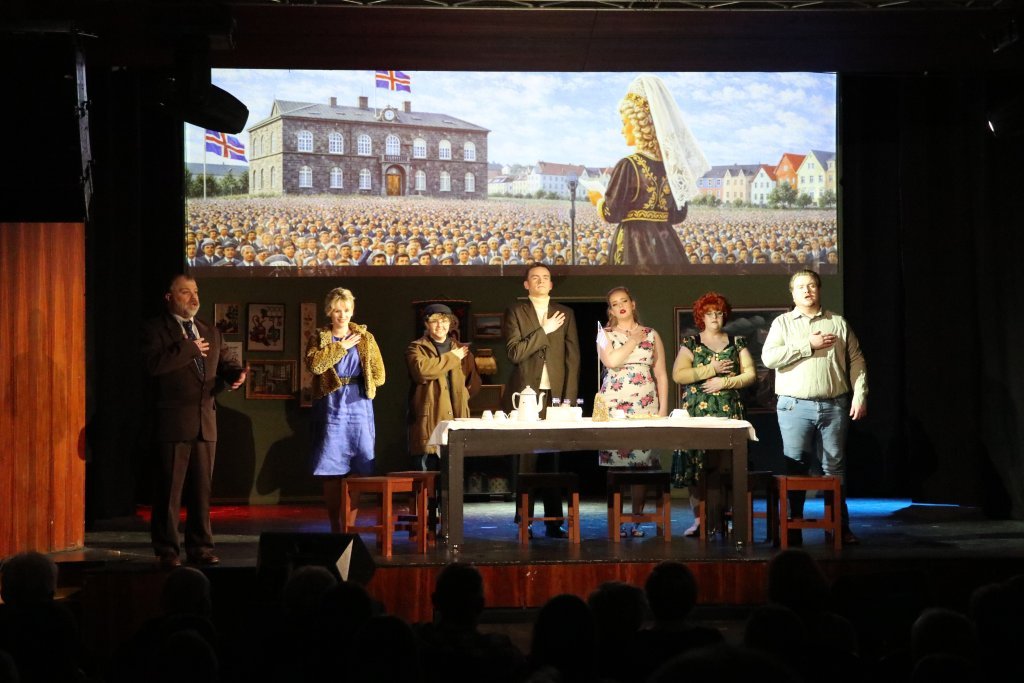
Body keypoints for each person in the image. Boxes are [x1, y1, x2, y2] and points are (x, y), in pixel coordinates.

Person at [142, 275, 246, 568]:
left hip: (205, 422)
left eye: (195, 292)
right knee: (169, 492)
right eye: (185, 292)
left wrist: (235, 375)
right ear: (169, 297)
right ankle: (167, 550)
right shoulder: (154, 329)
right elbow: (152, 366)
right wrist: (188, 348)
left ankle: (200, 547)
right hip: (173, 422)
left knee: (202, 492)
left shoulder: (210, 331)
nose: (193, 298)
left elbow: (226, 363)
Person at [761, 269, 867, 545]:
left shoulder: (837, 322)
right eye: (801, 287)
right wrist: (807, 344)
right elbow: (770, 358)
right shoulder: (783, 323)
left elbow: (856, 359)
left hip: (834, 405)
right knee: (796, 467)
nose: (807, 291)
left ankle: (839, 527)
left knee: (835, 467)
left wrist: (860, 394)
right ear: (792, 293)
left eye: (811, 285)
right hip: (795, 406)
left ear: (819, 290)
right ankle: (793, 527)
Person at [588, 74, 709, 266]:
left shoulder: (629, 165)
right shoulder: (673, 168)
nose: (622, 130)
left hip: (633, 243)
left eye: (624, 123)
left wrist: (598, 200)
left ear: (638, 124)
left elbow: (611, 213)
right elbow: (678, 215)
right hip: (667, 243)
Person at [503, 263, 580, 538]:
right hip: (526, 395)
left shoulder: (565, 313)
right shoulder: (516, 311)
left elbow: (573, 358)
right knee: (527, 461)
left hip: (555, 395)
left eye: (545, 278)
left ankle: (553, 521)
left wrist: (568, 399)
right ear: (526, 284)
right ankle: (524, 521)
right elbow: (514, 352)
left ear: (551, 284)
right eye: (535, 278)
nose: (540, 281)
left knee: (552, 460)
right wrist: (543, 330)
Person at [671, 291, 756, 537]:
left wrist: (725, 382)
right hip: (698, 413)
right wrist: (712, 369)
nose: (715, 318)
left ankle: (727, 518)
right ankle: (700, 520)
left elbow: (750, 374)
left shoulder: (736, 342)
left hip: (729, 414)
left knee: (727, 466)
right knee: (696, 465)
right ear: (702, 317)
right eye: (709, 314)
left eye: (718, 313)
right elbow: (679, 375)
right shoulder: (691, 343)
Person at [304, 286, 385, 532]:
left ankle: (350, 526)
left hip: (359, 403)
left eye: (347, 310)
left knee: (358, 467)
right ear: (329, 311)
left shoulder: (365, 337)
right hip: (331, 403)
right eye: (337, 310)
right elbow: (315, 366)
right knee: (332, 467)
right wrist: (341, 347)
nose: (343, 315)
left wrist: (366, 382)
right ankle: (335, 527)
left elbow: (380, 374)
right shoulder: (320, 337)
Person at [596, 286, 669, 537]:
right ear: (611, 310)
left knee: (642, 464)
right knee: (617, 464)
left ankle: (635, 521)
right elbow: (611, 361)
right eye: (615, 304)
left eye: (624, 301)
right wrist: (632, 341)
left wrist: (663, 409)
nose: (621, 306)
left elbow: (661, 374)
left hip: (645, 404)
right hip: (615, 403)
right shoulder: (604, 334)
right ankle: (616, 521)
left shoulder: (652, 334)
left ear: (633, 303)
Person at [406, 304, 481, 471]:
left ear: (451, 323)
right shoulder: (417, 348)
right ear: (426, 324)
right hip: (430, 419)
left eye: (444, 320)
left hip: (457, 419)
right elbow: (422, 371)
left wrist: (462, 396)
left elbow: (473, 382)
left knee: (456, 475)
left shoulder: (462, 350)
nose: (440, 325)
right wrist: (452, 358)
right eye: (435, 321)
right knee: (428, 474)